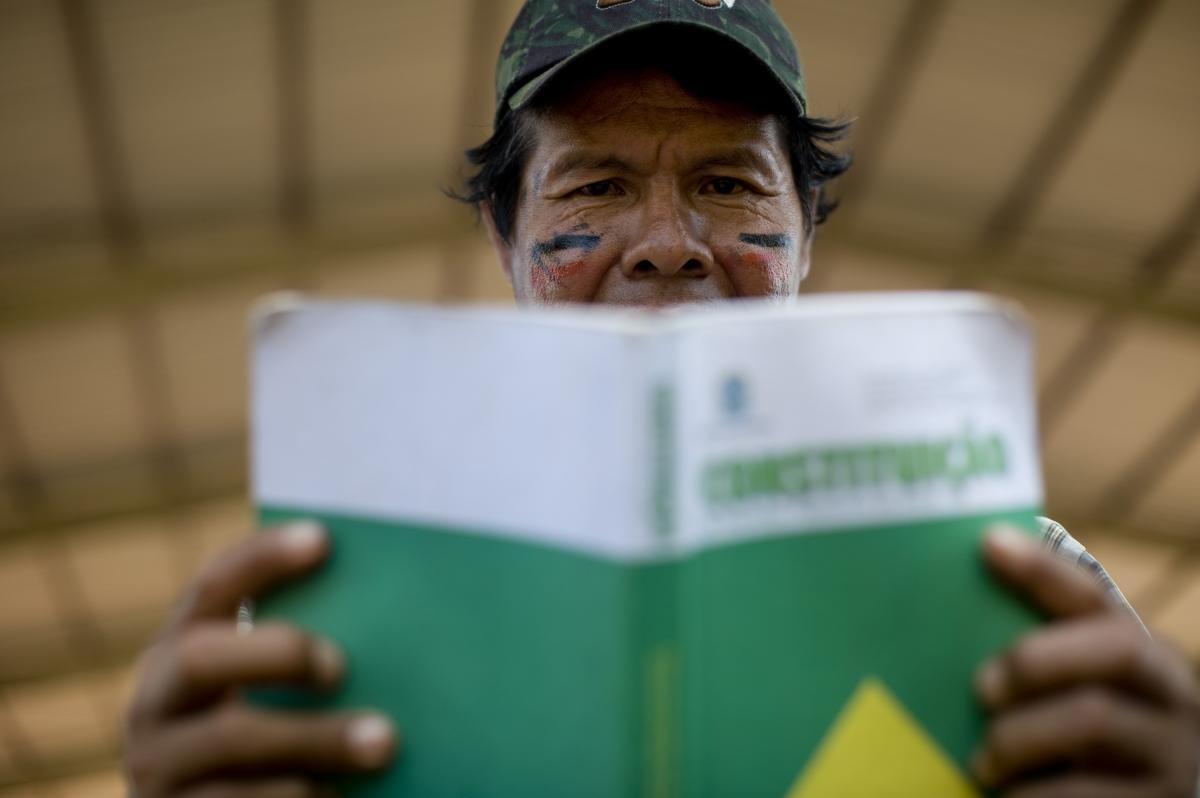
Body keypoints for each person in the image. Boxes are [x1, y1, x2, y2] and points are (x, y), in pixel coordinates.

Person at [124, 1, 1200, 796]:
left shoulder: (1011, 573)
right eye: (596, 186)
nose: (667, 247)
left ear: (808, 237)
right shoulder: (348, 592)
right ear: (503, 237)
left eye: (728, 185)